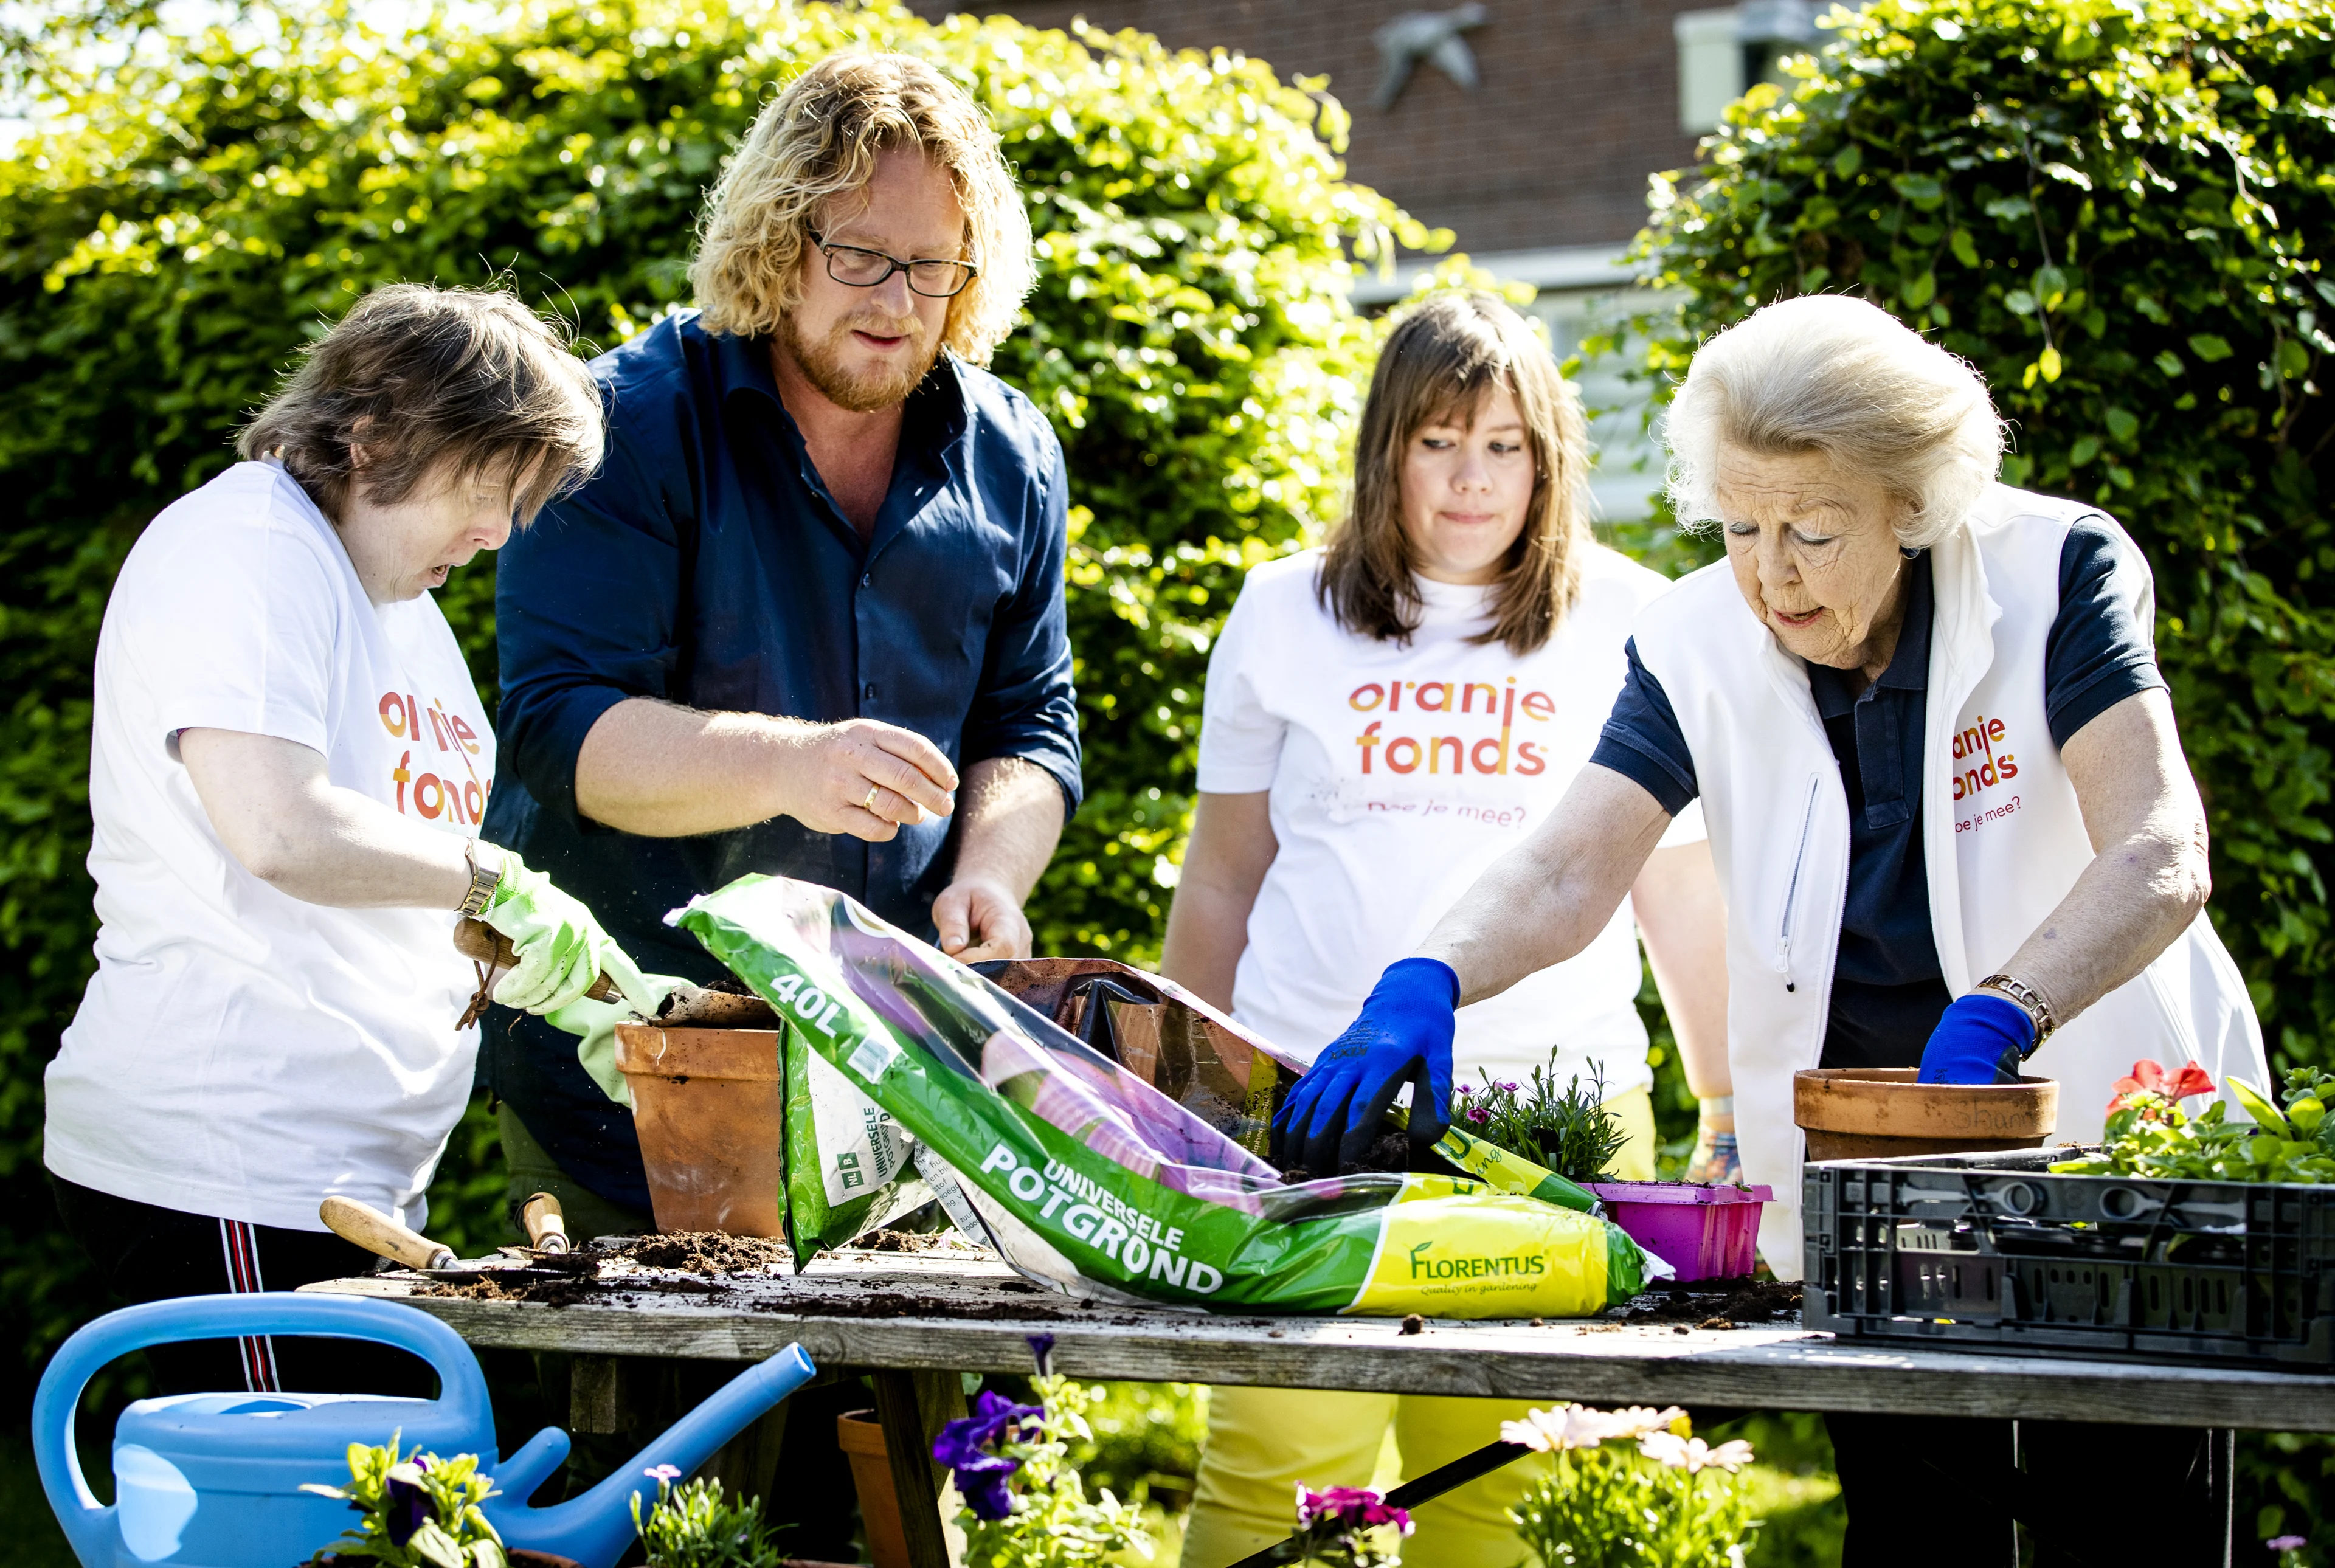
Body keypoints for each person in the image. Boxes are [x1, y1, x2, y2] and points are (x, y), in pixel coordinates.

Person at [1295, 294, 2264, 1566]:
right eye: (1742, 525)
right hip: (1872, 1181)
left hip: (2097, 1141)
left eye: (1813, 528)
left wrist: (2008, 1007)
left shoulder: (2052, 574)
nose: (1771, 573)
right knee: (1922, 1530)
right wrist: (1427, 972)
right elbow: (1563, 867)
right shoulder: (1696, 638)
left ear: (1913, 505)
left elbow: (2160, 846)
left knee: (2135, 1530)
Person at [1166, 293, 1731, 1568]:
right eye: (1437, 440)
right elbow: (1222, 877)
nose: (1473, 478)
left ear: (1549, 461)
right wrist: (1180, 1088)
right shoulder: (1278, 613)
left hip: (1552, 1117)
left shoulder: (1637, 619)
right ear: (1386, 452)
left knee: (1504, 1482)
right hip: (1301, 1106)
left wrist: (1725, 1103)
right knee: (1270, 1473)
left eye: (1506, 444)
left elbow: (1679, 889)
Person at [479, 50, 1080, 1244]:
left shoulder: (1014, 452)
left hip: (898, 1086)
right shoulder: (622, 426)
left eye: (933, 264)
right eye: (857, 254)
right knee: (672, 1439)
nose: (899, 300)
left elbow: (1030, 725)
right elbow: (559, 730)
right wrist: (793, 764)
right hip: (632, 1074)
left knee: (908, 1435)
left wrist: (991, 878)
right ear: (774, 239)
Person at [44, 283, 654, 1395]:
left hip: (342, 1184)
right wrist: (497, 883)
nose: (502, 532)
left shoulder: (400, 609)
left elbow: (398, 873)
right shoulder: (248, 546)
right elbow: (280, 827)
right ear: (372, 434)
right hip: (229, 1169)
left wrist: (572, 980)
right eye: (490, 486)